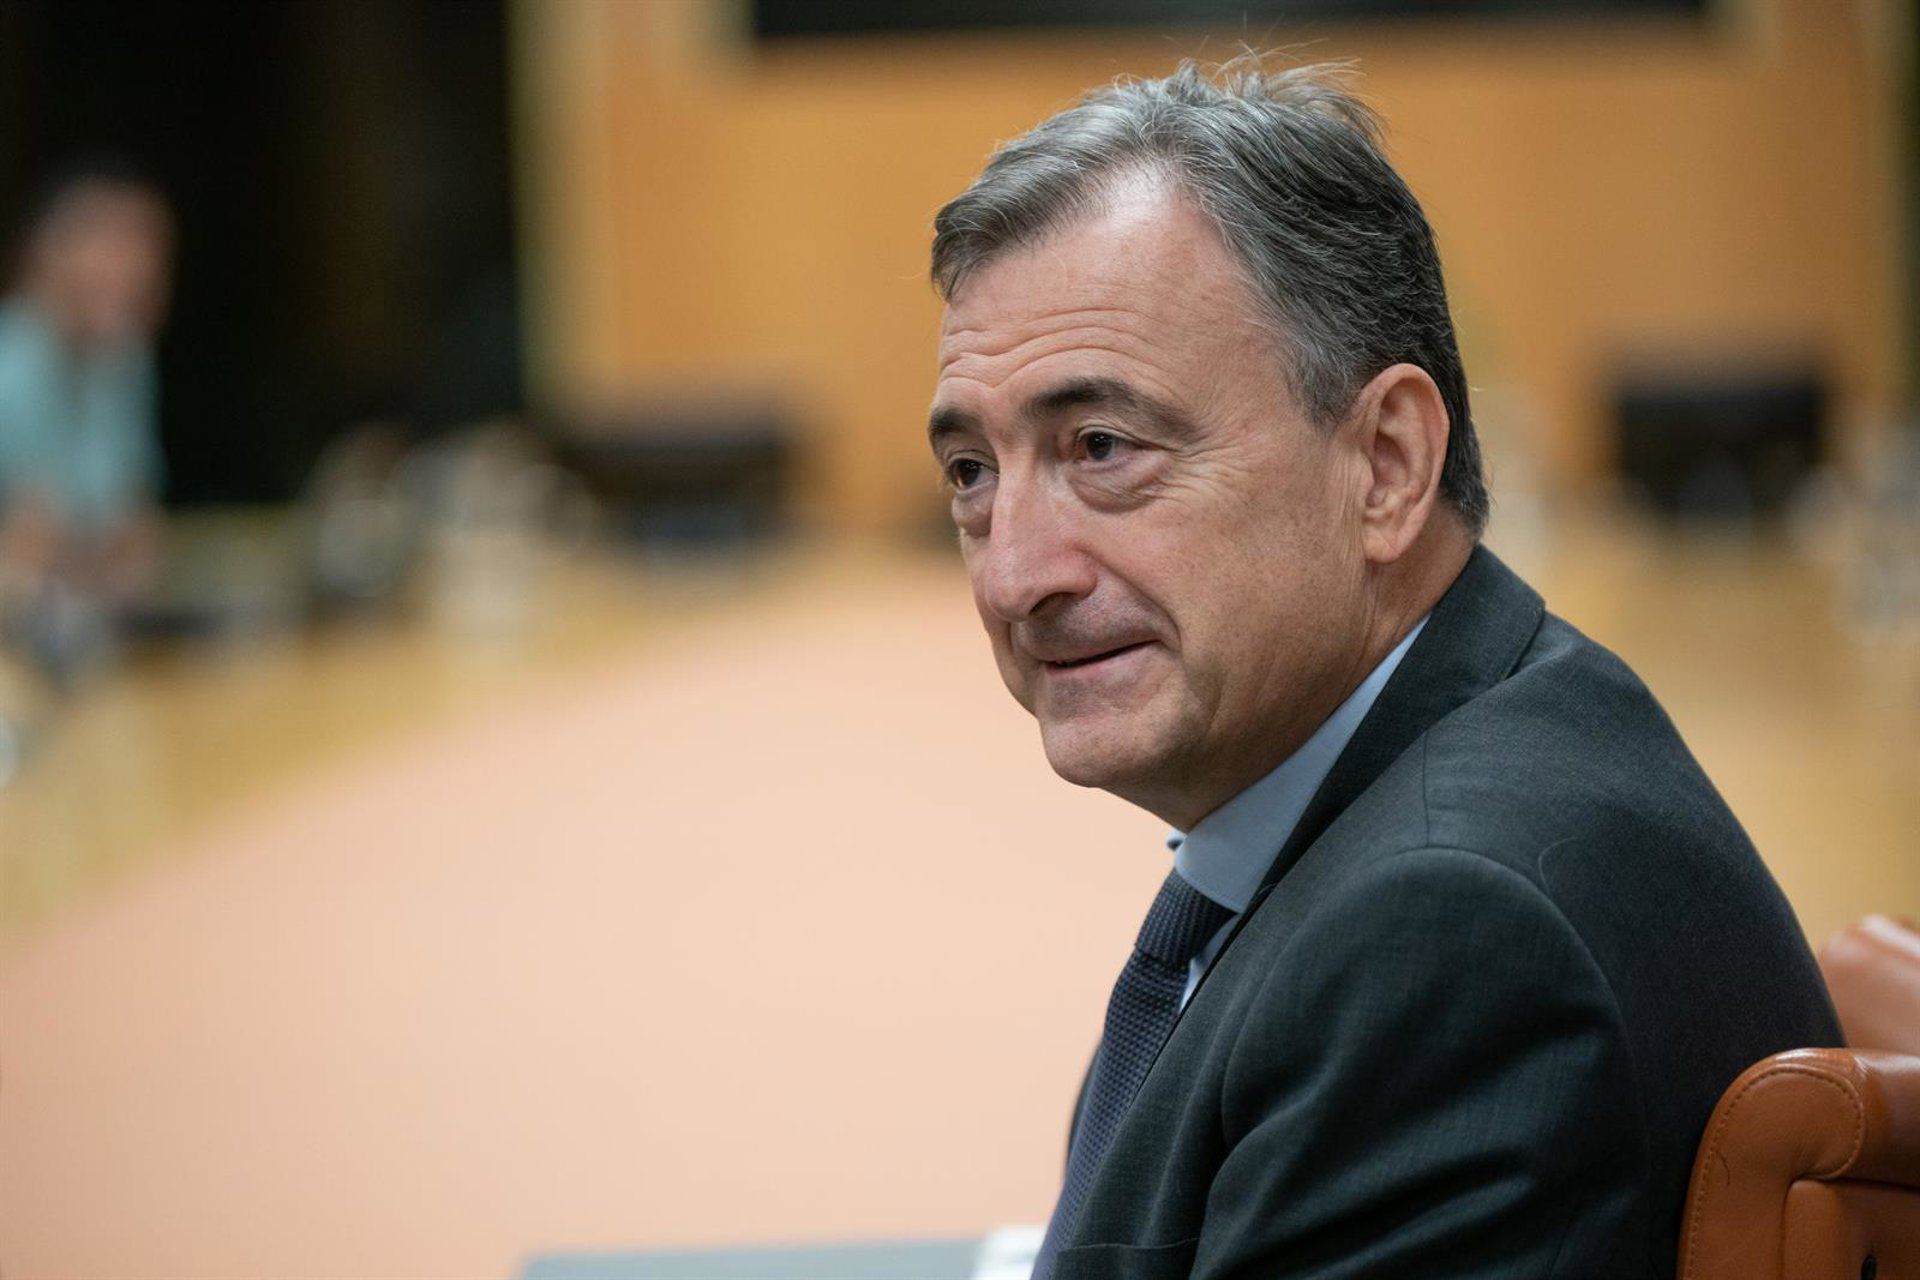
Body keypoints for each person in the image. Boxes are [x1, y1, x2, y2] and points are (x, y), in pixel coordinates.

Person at [925, 60, 1841, 1280]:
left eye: (1102, 446)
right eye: (973, 473)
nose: (1012, 574)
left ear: (1388, 464)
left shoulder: (1452, 938)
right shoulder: (1457, 748)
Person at [0, 158, 171, 682]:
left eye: (147, 248)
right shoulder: (13, 364)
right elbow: (26, 549)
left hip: (89, 640)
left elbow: (134, 534)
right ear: (50, 253)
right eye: (111, 245)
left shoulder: (123, 364)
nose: (135, 268)